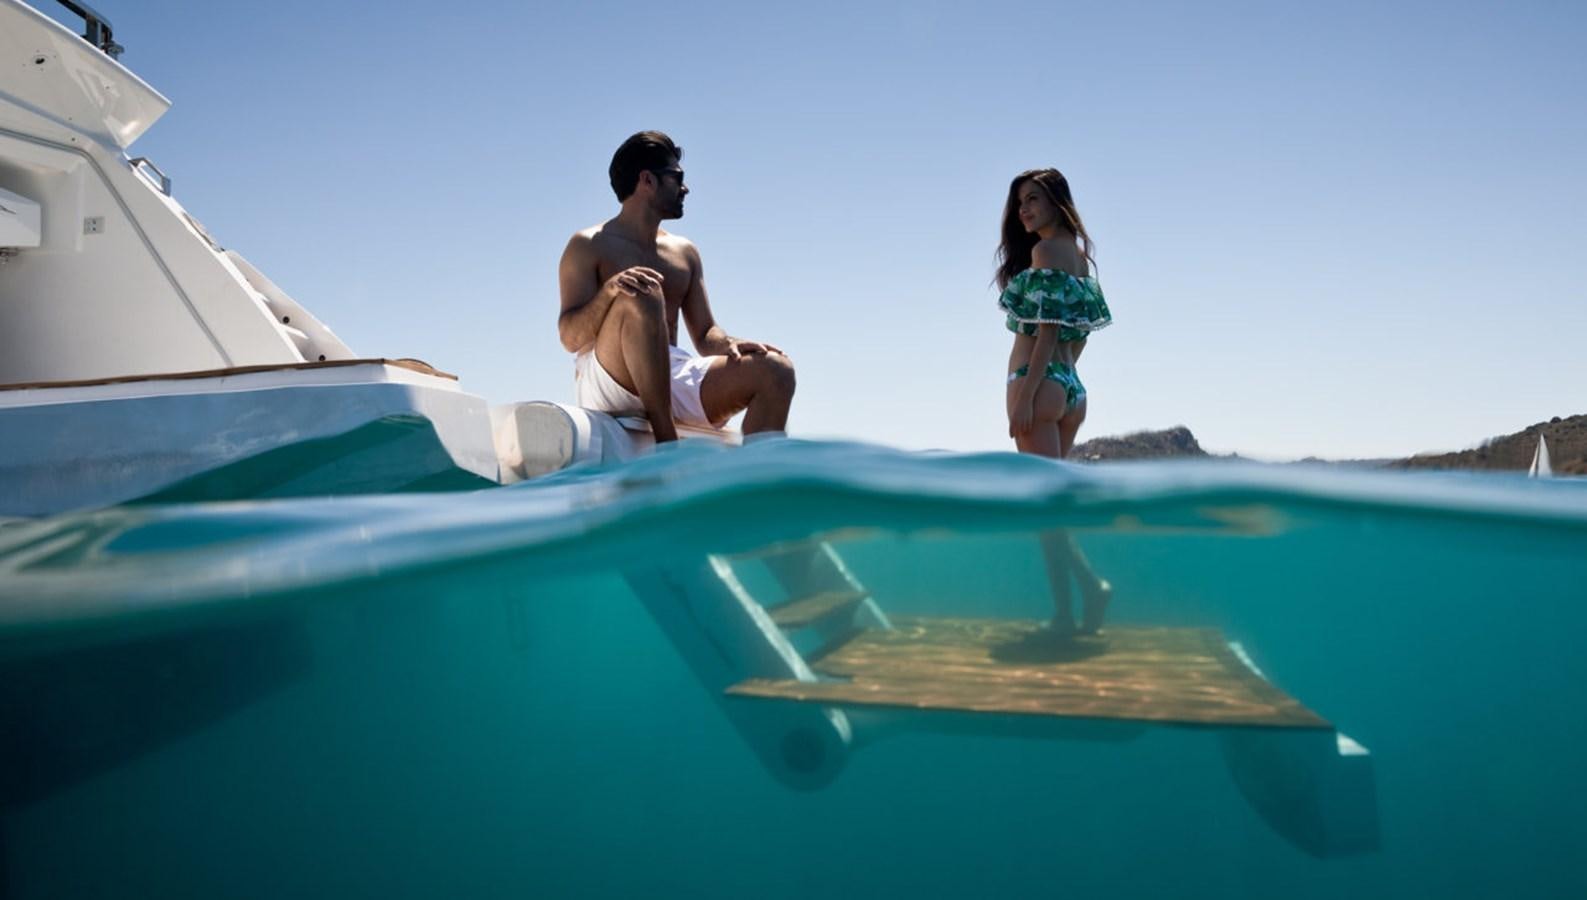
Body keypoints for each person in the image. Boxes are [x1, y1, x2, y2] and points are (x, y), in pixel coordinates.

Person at [557, 131, 795, 443]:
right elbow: (569, 338)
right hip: (610, 379)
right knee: (642, 292)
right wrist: (610, 293)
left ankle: (761, 479)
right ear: (648, 180)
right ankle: (666, 442)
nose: (685, 188)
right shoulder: (588, 245)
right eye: (677, 177)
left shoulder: (684, 252)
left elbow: (706, 333)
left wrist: (730, 344)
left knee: (776, 370)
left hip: (672, 372)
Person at [995, 168, 1114, 634]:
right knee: (1054, 512)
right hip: (1071, 386)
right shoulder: (1080, 258)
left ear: (1056, 202)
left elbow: (1045, 330)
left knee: (1046, 514)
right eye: (1019, 202)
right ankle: (1073, 606)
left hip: (1037, 384)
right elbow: (1078, 333)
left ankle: (1075, 604)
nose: (1023, 210)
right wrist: (1062, 382)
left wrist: (1026, 395)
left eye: (1033, 200)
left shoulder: (1045, 251)